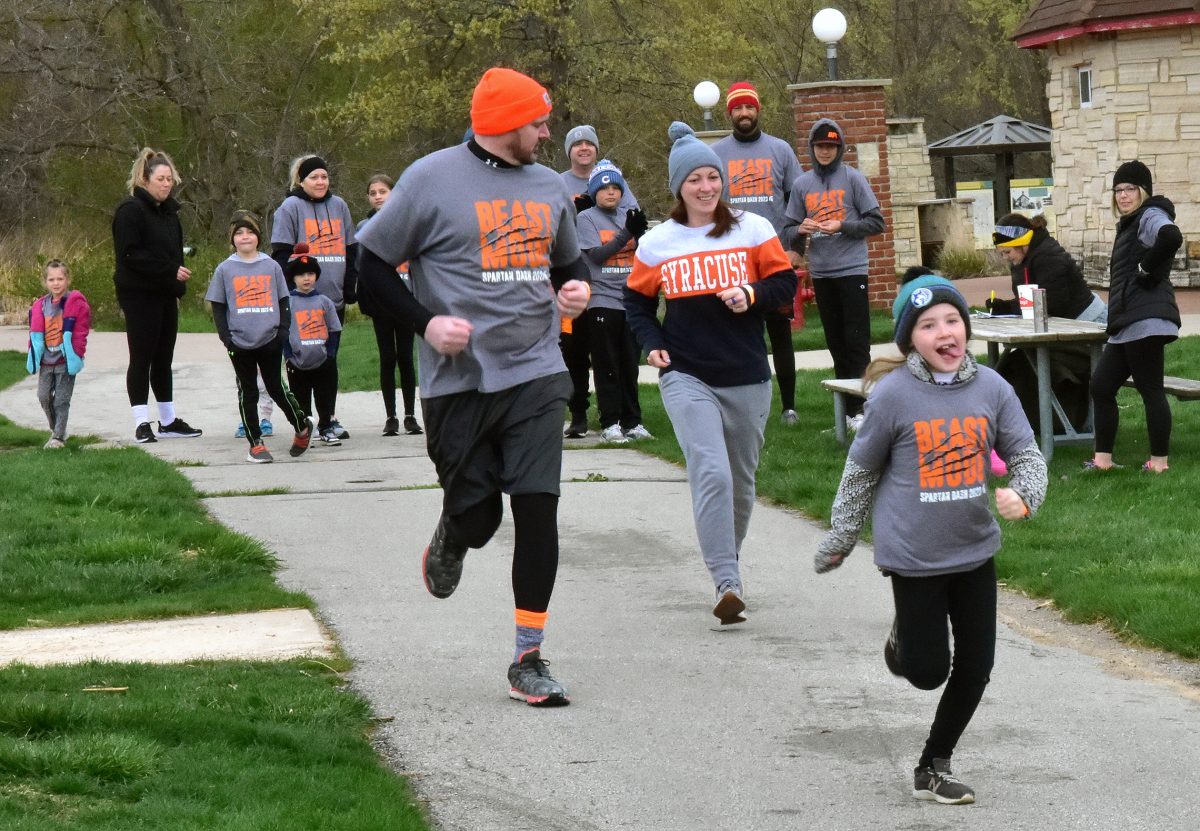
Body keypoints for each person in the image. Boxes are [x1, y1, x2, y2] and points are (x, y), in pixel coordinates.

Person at [357, 67, 591, 706]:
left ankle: (528, 658)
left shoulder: (548, 187)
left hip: (538, 373)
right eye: (538, 122)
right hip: (457, 383)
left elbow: (569, 264)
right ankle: (452, 534)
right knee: (482, 518)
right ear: (503, 124)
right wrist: (427, 324)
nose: (549, 132)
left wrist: (576, 288)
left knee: (539, 509)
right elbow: (370, 266)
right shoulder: (430, 179)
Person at [814, 273, 1047, 805]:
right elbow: (860, 472)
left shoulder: (993, 387)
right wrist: (842, 536)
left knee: (976, 665)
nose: (944, 331)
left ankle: (932, 766)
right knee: (926, 672)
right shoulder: (894, 395)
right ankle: (903, 643)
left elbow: (1027, 454)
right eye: (927, 325)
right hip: (914, 555)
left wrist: (1026, 496)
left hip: (973, 549)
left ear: (965, 328)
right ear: (910, 339)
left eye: (951, 320)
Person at [625, 122, 797, 625]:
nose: (706, 188)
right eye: (695, 179)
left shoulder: (753, 229)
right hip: (686, 372)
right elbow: (636, 303)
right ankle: (726, 581)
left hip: (746, 372)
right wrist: (652, 343)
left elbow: (784, 284)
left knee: (741, 484)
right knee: (712, 472)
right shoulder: (659, 242)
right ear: (678, 187)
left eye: (712, 177)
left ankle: (730, 567)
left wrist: (752, 295)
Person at [712, 81, 804, 425]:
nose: (744, 113)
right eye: (738, 108)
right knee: (739, 334)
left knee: (780, 333)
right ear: (730, 113)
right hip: (733, 258)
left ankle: (789, 406)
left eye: (749, 107)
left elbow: (798, 201)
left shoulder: (780, 150)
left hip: (775, 256)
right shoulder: (717, 154)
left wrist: (795, 248)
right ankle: (741, 407)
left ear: (758, 110)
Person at [783, 119, 885, 431]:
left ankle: (865, 411)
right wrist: (800, 229)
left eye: (831, 146)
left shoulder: (853, 179)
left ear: (839, 148)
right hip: (823, 274)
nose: (825, 151)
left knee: (856, 343)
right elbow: (788, 230)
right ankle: (846, 413)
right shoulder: (802, 185)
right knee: (836, 344)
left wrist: (842, 226)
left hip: (852, 269)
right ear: (812, 149)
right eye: (820, 146)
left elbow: (876, 222)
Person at [1086, 160, 1183, 474]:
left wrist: (1145, 268)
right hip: (1129, 321)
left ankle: (1159, 464)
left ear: (1143, 191)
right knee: (1101, 385)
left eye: (1130, 189)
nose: (1123, 196)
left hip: (1146, 319)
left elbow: (1171, 237)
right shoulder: (1130, 222)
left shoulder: (1150, 215)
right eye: (1118, 190)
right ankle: (1103, 462)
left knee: (1150, 388)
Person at [205, 211, 313, 464]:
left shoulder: (271, 266)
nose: (245, 237)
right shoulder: (225, 269)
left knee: (276, 386)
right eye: (239, 233)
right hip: (239, 342)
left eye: (250, 232)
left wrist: (282, 331)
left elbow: (284, 300)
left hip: (270, 339)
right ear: (232, 239)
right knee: (248, 391)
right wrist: (226, 337)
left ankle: (302, 426)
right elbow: (218, 306)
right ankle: (256, 443)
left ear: (258, 236)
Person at [112, 147, 203, 443]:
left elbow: (175, 254)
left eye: (170, 180)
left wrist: (177, 285)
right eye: (161, 179)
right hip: (139, 296)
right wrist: (169, 271)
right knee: (142, 358)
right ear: (145, 178)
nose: (166, 184)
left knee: (164, 359)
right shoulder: (130, 211)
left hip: (165, 295)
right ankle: (141, 422)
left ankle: (168, 419)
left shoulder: (169, 214)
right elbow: (130, 255)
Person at [989, 213, 1107, 432]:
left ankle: (1084, 426)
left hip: (1090, 326)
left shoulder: (1048, 256)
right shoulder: (1022, 259)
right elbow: (1031, 299)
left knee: (1039, 360)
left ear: (1021, 244)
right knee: (1025, 358)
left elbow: (1053, 303)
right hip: (1062, 324)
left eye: (1007, 252)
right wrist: (1006, 306)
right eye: (1002, 253)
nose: (1005, 257)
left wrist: (1012, 308)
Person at [559, 125, 640, 438]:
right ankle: (578, 411)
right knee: (573, 346)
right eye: (576, 144)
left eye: (588, 144)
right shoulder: (558, 182)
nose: (583, 148)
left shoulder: (614, 180)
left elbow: (631, 217)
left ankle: (625, 417)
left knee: (614, 352)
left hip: (610, 285)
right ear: (569, 151)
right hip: (570, 274)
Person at [270, 154, 357, 440]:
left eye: (324, 176)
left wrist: (350, 283)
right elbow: (281, 253)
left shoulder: (339, 205)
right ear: (301, 180)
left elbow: (351, 248)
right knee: (300, 359)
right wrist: (288, 293)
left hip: (331, 299)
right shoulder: (290, 207)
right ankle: (303, 418)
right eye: (314, 177)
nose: (320, 182)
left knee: (328, 361)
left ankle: (328, 419)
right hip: (300, 299)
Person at [575, 160, 652, 443]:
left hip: (629, 299)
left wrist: (641, 235)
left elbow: (643, 255)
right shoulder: (586, 218)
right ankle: (610, 422)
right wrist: (627, 233)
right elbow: (596, 255)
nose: (610, 193)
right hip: (601, 299)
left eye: (615, 188)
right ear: (594, 192)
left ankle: (633, 421)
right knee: (607, 364)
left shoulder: (628, 215)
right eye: (604, 188)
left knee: (630, 364)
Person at [356, 174, 423, 437]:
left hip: (405, 300)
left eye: (383, 191)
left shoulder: (407, 223)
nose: (378, 196)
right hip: (381, 303)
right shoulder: (364, 226)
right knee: (387, 357)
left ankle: (409, 415)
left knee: (406, 357)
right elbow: (361, 267)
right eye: (373, 193)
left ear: (393, 193)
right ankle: (390, 417)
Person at [283, 245, 344, 446]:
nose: (306, 279)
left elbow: (334, 329)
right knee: (301, 399)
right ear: (293, 278)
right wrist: (288, 354)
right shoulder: (288, 303)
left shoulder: (324, 302)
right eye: (301, 275)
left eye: (310, 274)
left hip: (322, 360)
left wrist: (331, 354)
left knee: (324, 397)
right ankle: (307, 428)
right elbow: (282, 330)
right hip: (297, 361)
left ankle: (326, 427)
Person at [27, 259, 90, 449]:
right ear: (45, 281)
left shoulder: (75, 303)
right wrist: (32, 353)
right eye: (52, 279)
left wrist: (76, 352)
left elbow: (80, 331)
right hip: (46, 360)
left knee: (62, 400)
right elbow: (34, 334)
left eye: (60, 279)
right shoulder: (40, 305)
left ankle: (58, 437)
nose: (56, 283)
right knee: (43, 397)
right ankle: (56, 429)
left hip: (65, 360)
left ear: (67, 279)